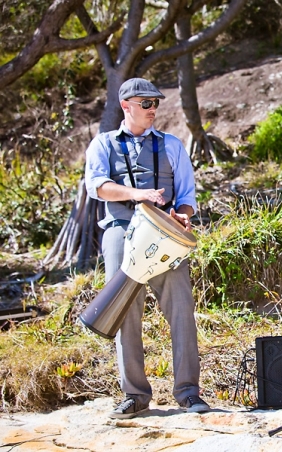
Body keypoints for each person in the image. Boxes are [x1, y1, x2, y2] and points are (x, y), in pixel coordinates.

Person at [85, 78, 210, 419]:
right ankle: (135, 396)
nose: (153, 109)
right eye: (146, 103)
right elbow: (97, 186)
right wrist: (137, 194)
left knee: (182, 311)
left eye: (156, 103)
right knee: (125, 313)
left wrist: (181, 217)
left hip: (166, 237)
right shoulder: (103, 144)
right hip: (120, 233)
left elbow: (186, 198)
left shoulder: (172, 145)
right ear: (126, 105)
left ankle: (188, 393)